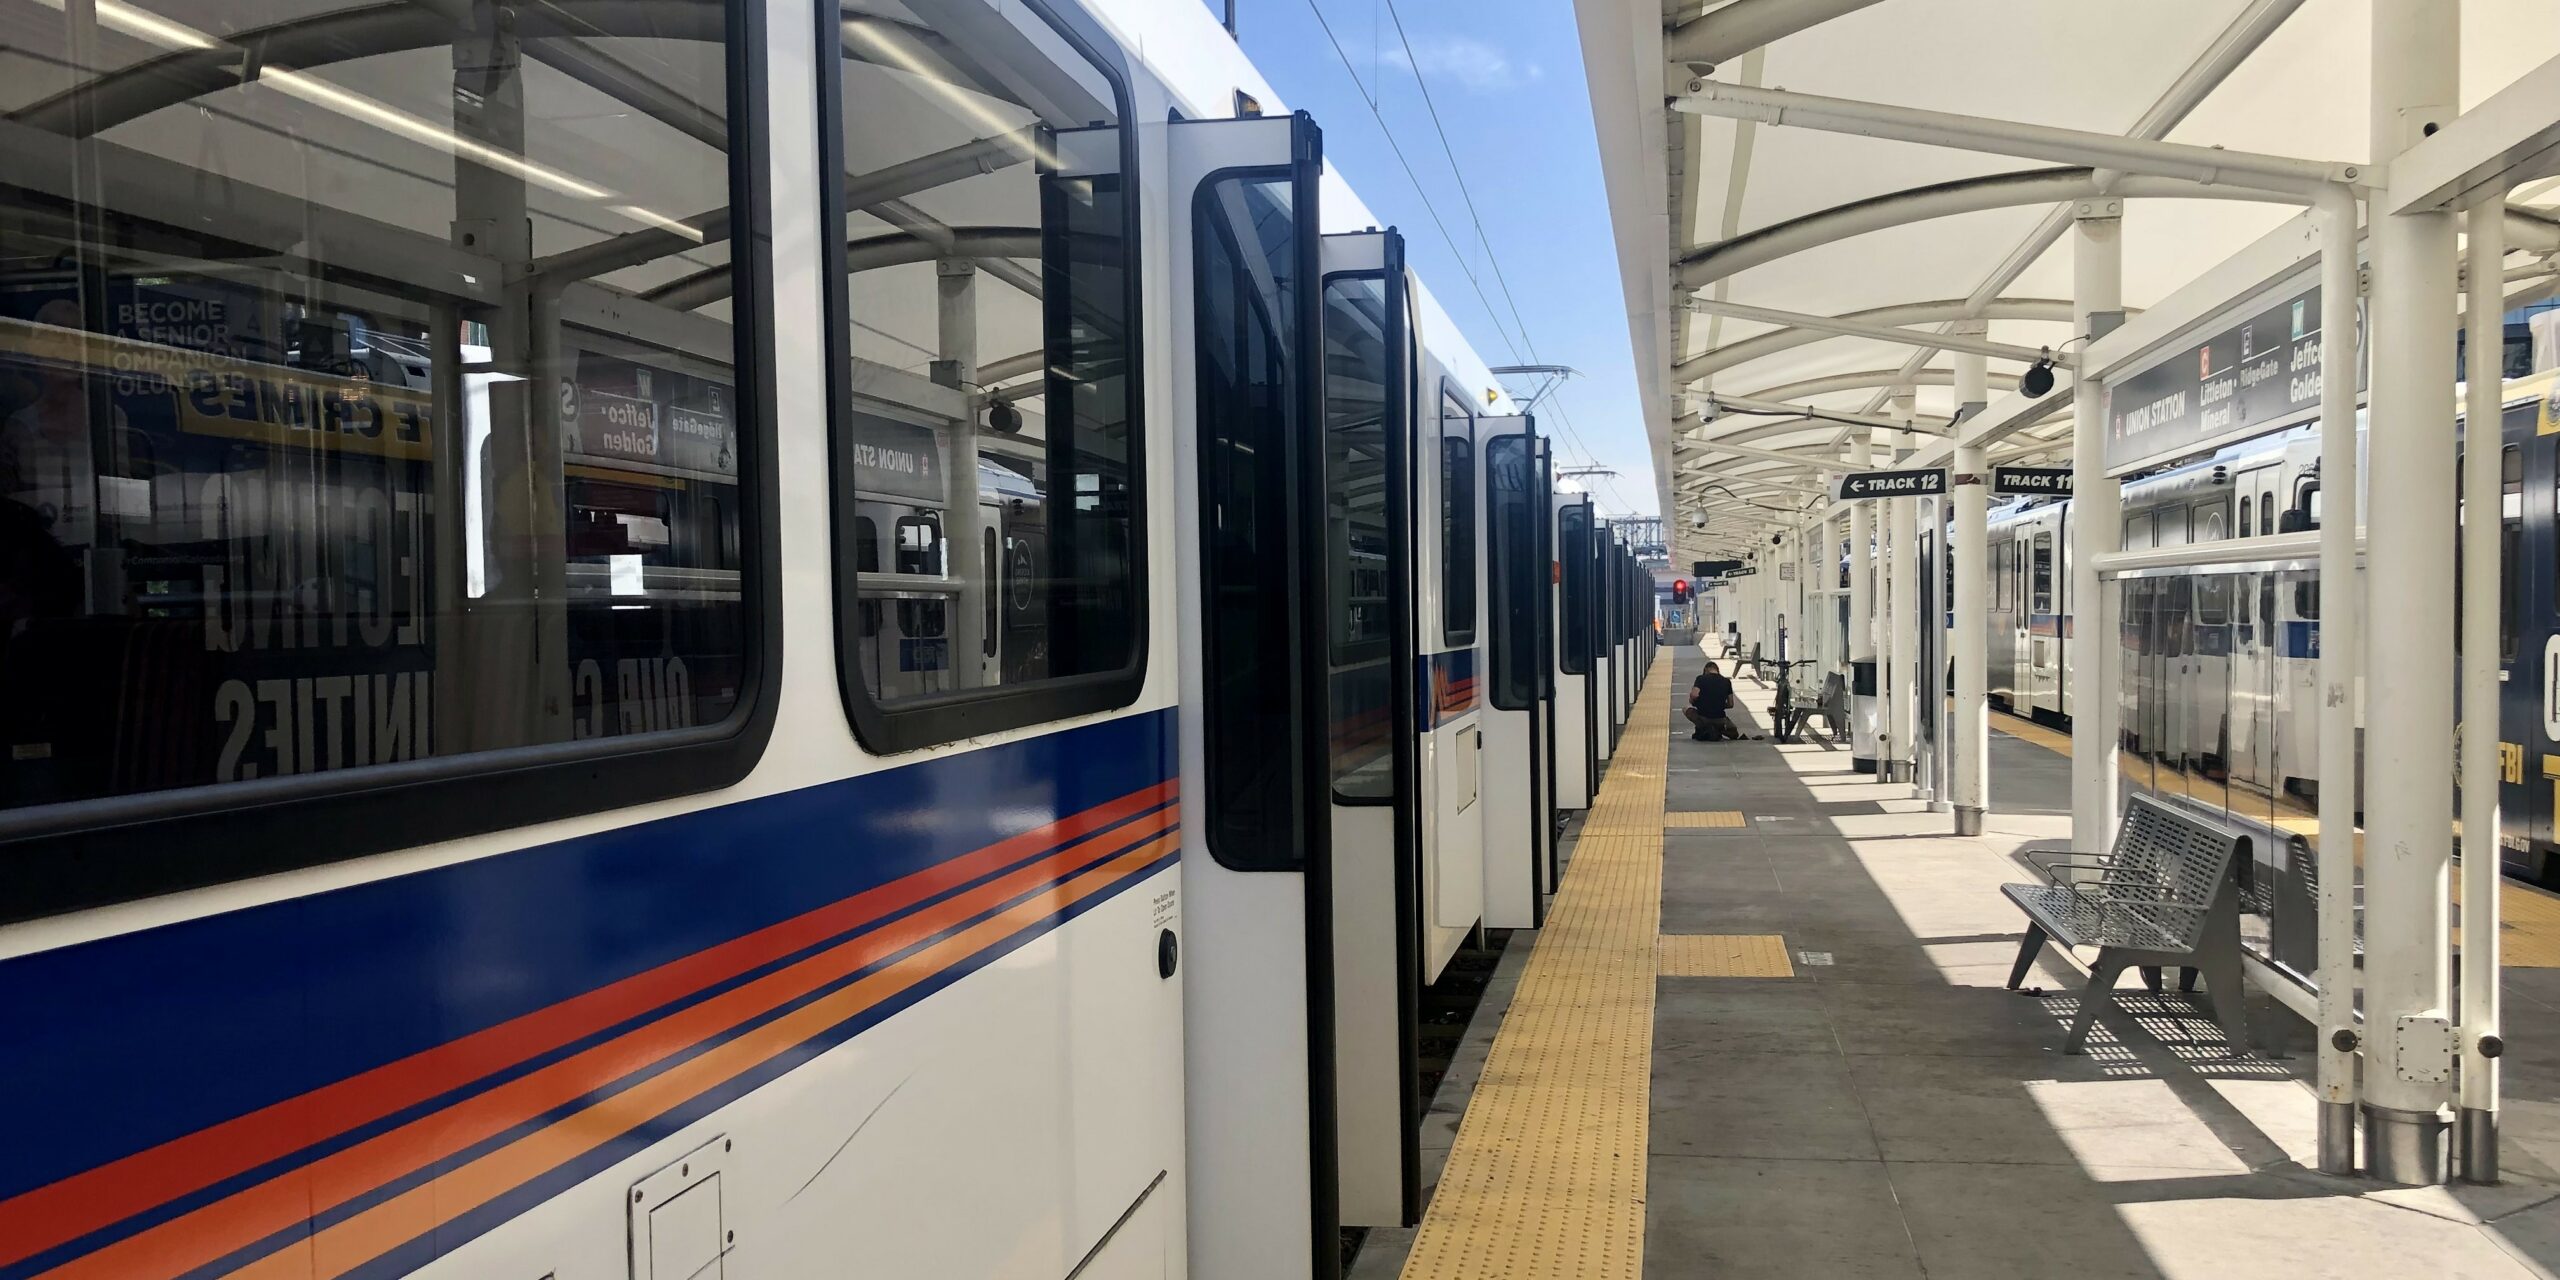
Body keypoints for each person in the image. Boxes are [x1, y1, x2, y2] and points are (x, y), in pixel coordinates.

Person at [1687, 660, 1740, 741]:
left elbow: (1694, 695)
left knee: (1686, 709)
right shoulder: (1726, 681)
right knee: (1733, 733)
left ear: (1706, 670)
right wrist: (1718, 704)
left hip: (1703, 717)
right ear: (1717, 670)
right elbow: (1730, 704)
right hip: (1721, 719)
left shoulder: (1700, 679)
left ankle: (1705, 728)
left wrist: (1693, 702)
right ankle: (1719, 729)